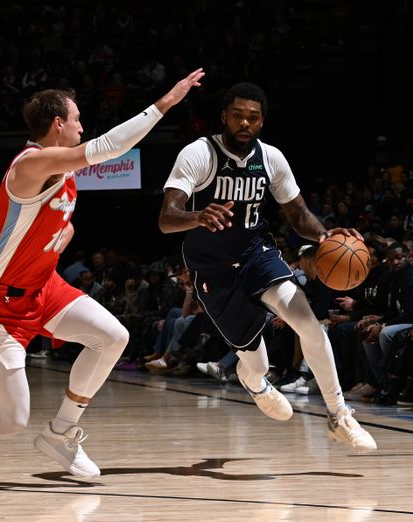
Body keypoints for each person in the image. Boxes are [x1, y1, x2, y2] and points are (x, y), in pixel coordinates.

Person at [0, 68, 206, 481]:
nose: (82, 126)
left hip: (44, 287)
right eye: (77, 119)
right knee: (13, 419)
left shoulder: (62, 168)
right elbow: (111, 146)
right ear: (58, 124)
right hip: (0, 302)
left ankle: (61, 432)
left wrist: (63, 234)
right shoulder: (31, 164)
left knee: (113, 336)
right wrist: (165, 102)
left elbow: (57, 217)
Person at [158, 82, 376, 450]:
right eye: (238, 115)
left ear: (262, 122)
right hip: (213, 269)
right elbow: (167, 218)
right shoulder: (199, 153)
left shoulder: (271, 158)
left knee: (306, 321)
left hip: (257, 254)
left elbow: (298, 214)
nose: (245, 123)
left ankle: (339, 415)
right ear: (224, 116)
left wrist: (325, 237)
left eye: (253, 118)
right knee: (255, 361)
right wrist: (197, 216)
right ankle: (255, 381)